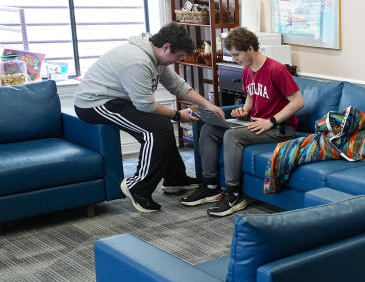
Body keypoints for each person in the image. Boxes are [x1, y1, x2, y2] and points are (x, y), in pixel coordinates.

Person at [74, 23, 225, 213]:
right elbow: (145, 105)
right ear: (166, 47)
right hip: (95, 103)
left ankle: (175, 179)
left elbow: (177, 85)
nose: (177, 60)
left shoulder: (155, 56)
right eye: (177, 56)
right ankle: (137, 187)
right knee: (156, 130)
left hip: (120, 99)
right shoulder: (138, 61)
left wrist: (208, 105)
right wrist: (178, 115)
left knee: (162, 124)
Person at [181, 27, 304, 217]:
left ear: (250, 48)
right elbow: (251, 97)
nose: (235, 59)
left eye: (237, 54)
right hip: (255, 124)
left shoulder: (276, 70)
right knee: (208, 130)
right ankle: (210, 185)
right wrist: (244, 110)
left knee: (232, 135)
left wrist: (270, 121)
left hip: (281, 128)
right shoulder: (247, 70)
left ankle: (234, 194)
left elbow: (298, 102)